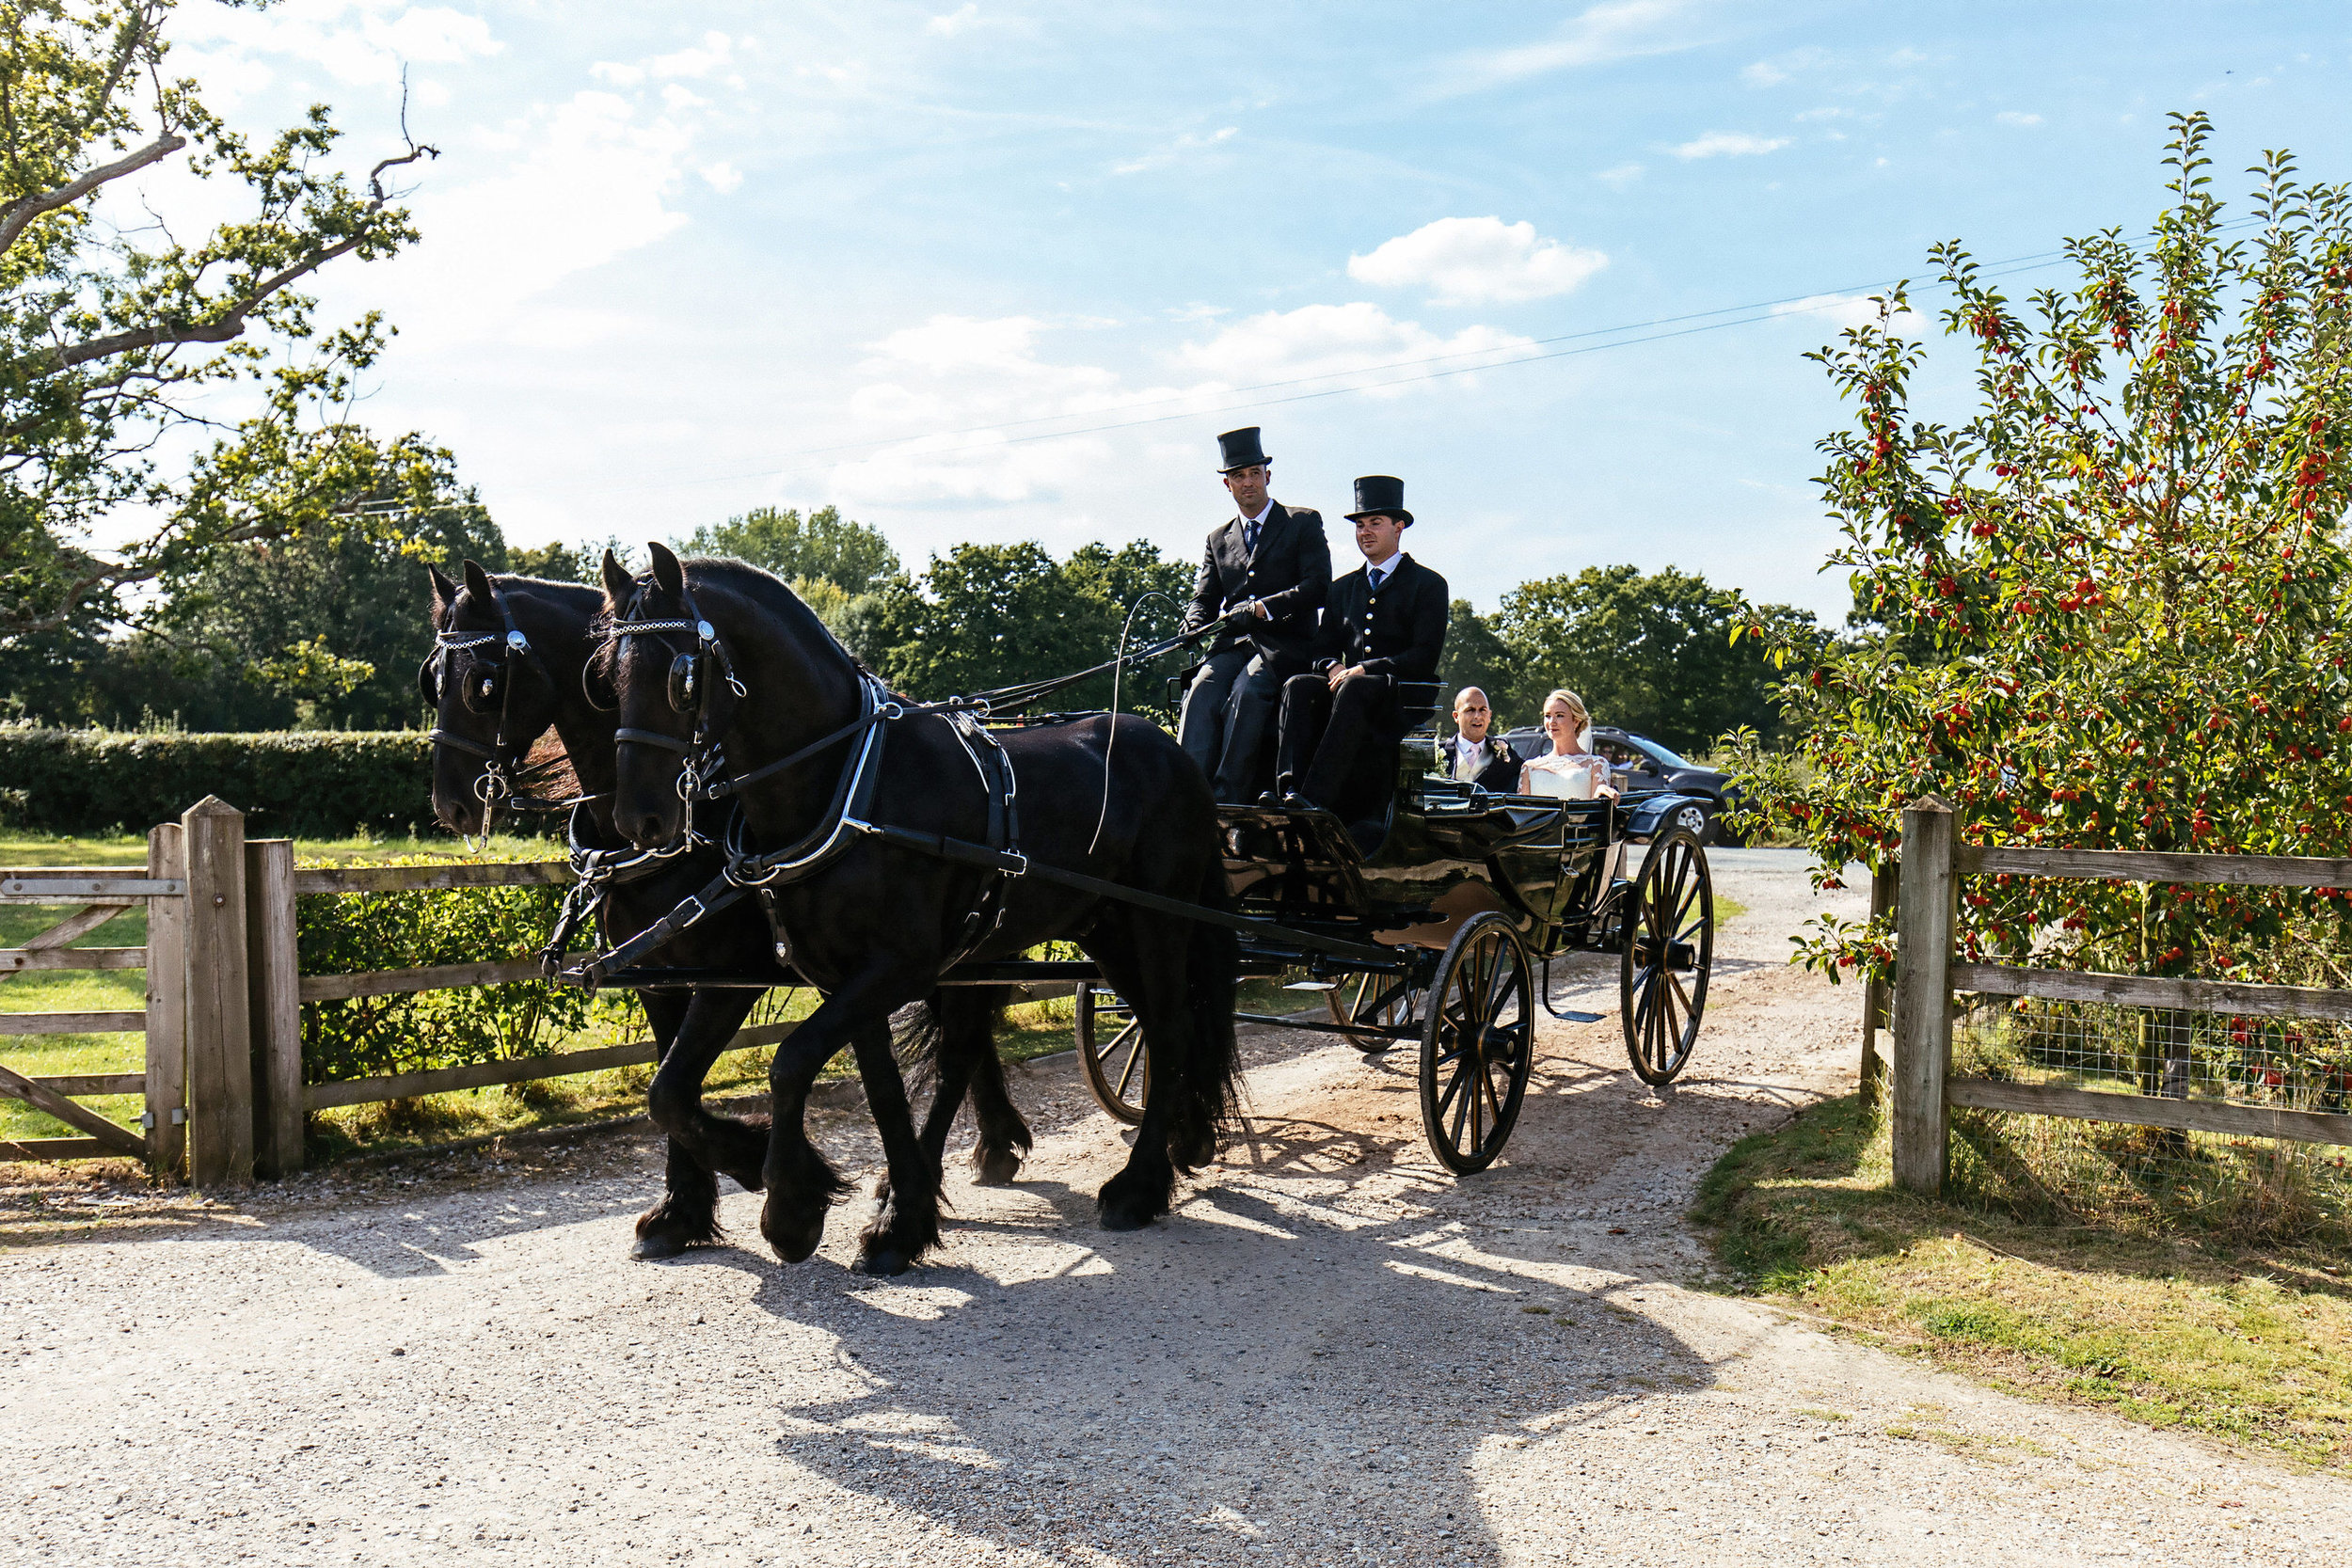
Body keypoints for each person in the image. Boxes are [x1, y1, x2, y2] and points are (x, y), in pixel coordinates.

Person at [1270, 475, 1447, 816]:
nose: (1365, 532)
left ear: (1398, 527)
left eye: (1375, 523)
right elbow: (1322, 647)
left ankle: (1315, 799)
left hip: (1398, 694)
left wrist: (1366, 668)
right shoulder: (1342, 588)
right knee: (1299, 685)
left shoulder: (1428, 584)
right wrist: (1331, 666)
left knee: (1355, 685)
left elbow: (1424, 655)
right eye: (1360, 525)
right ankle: (1287, 791)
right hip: (1349, 690)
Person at [1176, 426, 1333, 801]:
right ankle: (1185, 794)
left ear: (1268, 476)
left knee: (1248, 690)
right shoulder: (1218, 539)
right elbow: (1205, 596)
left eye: (1253, 474)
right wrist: (1194, 621)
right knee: (1200, 690)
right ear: (1227, 485)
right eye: (1238, 476)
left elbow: (1319, 587)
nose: (1247, 483)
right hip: (1233, 644)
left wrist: (1264, 608)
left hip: (1285, 645)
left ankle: (1227, 796)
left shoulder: (1302, 522)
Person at [1519, 688, 1618, 800]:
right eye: (1547, 716)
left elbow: (1598, 813)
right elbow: (1521, 814)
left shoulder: (1596, 765)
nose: (1552, 722)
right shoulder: (1529, 767)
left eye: (1560, 715)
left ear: (1576, 721)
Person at [1438, 686, 1520, 790]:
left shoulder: (1504, 750)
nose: (1477, 716)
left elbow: (1527, 771)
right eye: (1470, 710)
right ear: (1456, 716)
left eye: (1482, 710)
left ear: (1489, 716)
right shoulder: (1439, 753)